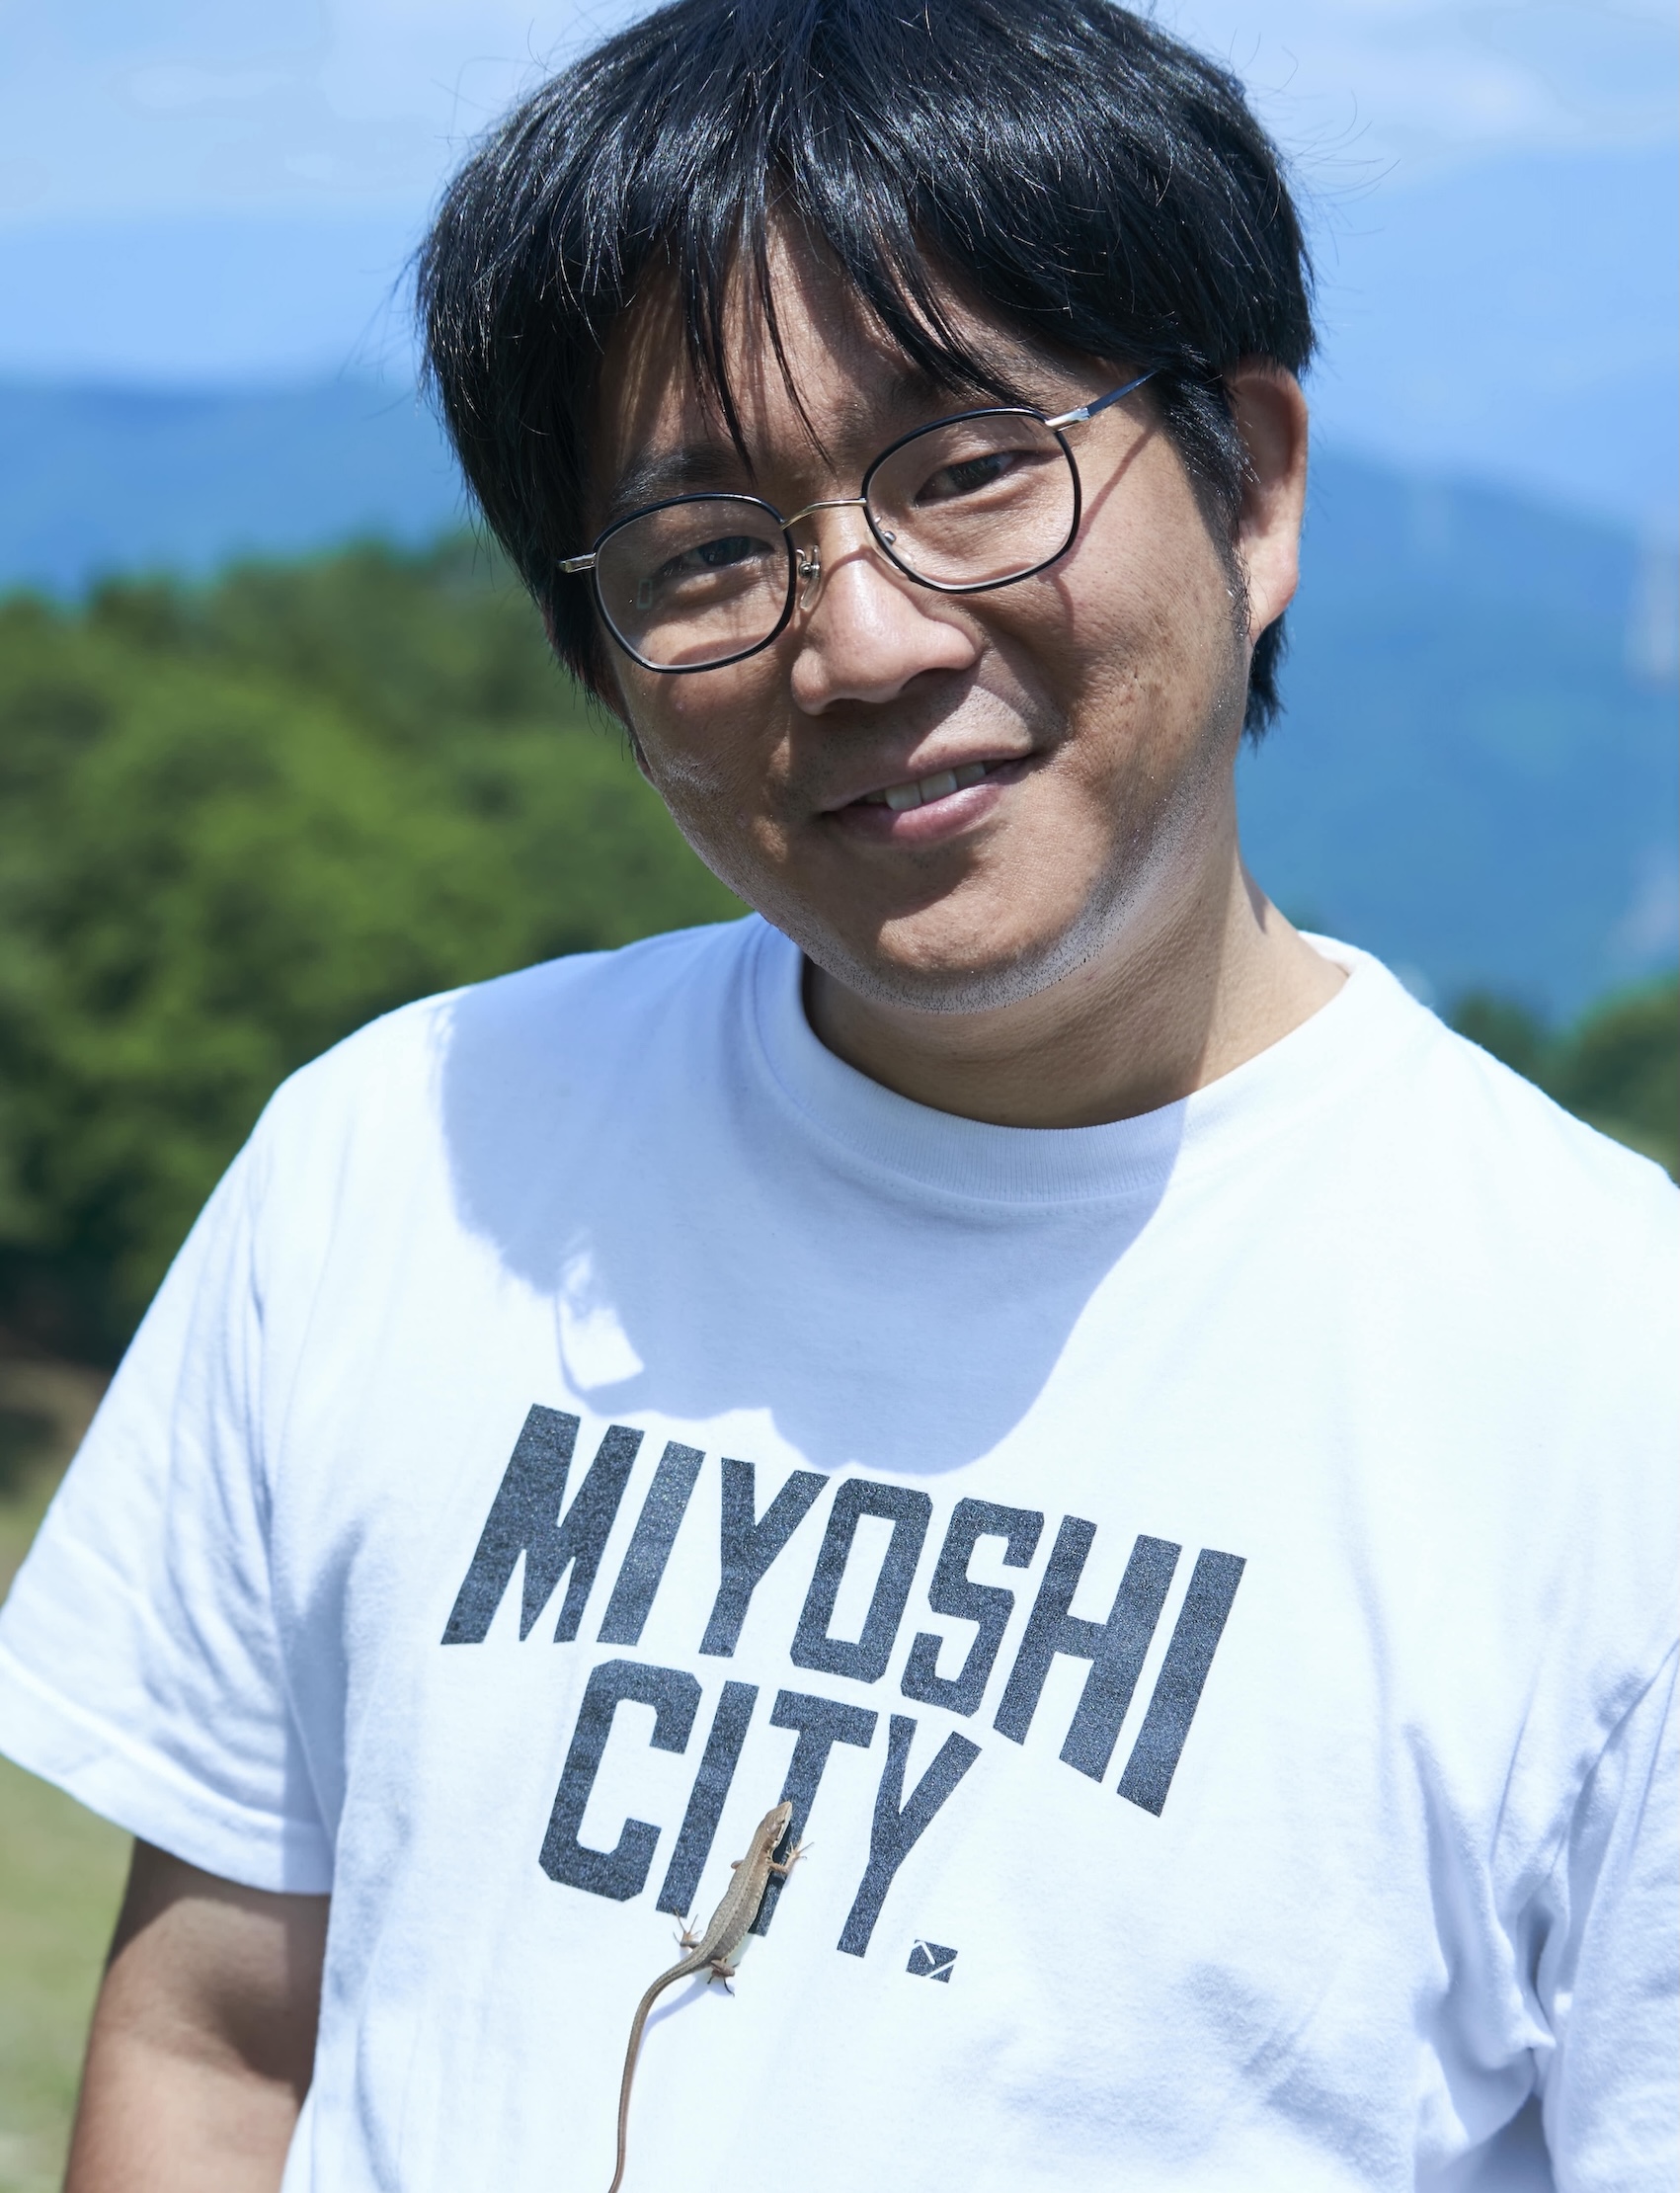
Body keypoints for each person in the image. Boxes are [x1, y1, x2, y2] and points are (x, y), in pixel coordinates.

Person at [0, 0, 1673, 2185]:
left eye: (969, 466)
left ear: (1250, 488)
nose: (861, 640)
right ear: (600, 665)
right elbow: (220, 2056)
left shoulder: (1606, 1388)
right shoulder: (397, 1164)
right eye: (703, 552)